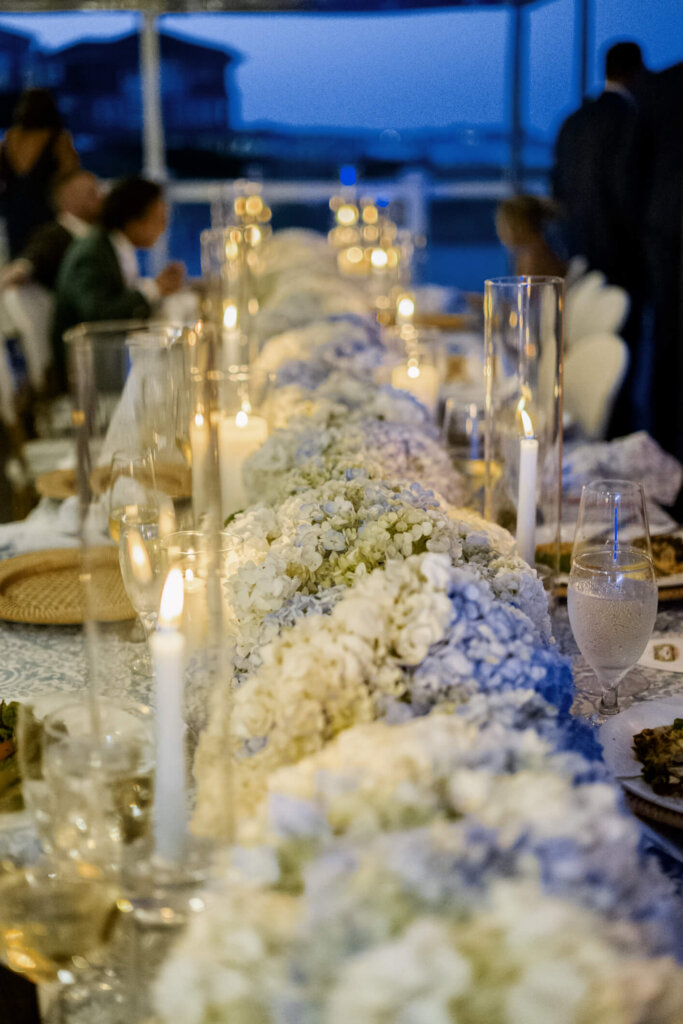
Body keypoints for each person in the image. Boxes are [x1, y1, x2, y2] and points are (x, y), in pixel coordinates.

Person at [53, 176, 185, 360]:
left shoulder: (113, 245)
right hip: (87, 365)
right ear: (133, 220)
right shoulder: (92, 252)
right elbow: (97, 315)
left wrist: (156, 287)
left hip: (108, 357)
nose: (163, 228)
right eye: (159, 219)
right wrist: (153, 289)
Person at [0, 88, 79, 259]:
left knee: (20, 263)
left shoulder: (10, 138)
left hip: (15, 211)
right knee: (47, 259)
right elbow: (70, 173)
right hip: (46, 209)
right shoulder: (58, 139)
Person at [1, 168, 103, 292]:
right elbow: (31, 260)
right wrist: (14, 273)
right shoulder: (54, 234)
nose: (100, 197)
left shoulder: (97, 234)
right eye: (91, 193)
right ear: (68, 198)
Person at [495, 195, 567, 278]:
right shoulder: (535, 252)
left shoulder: (532, 259)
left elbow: (526, 290)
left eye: (503, 225)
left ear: (521, 226)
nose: (499, 231)